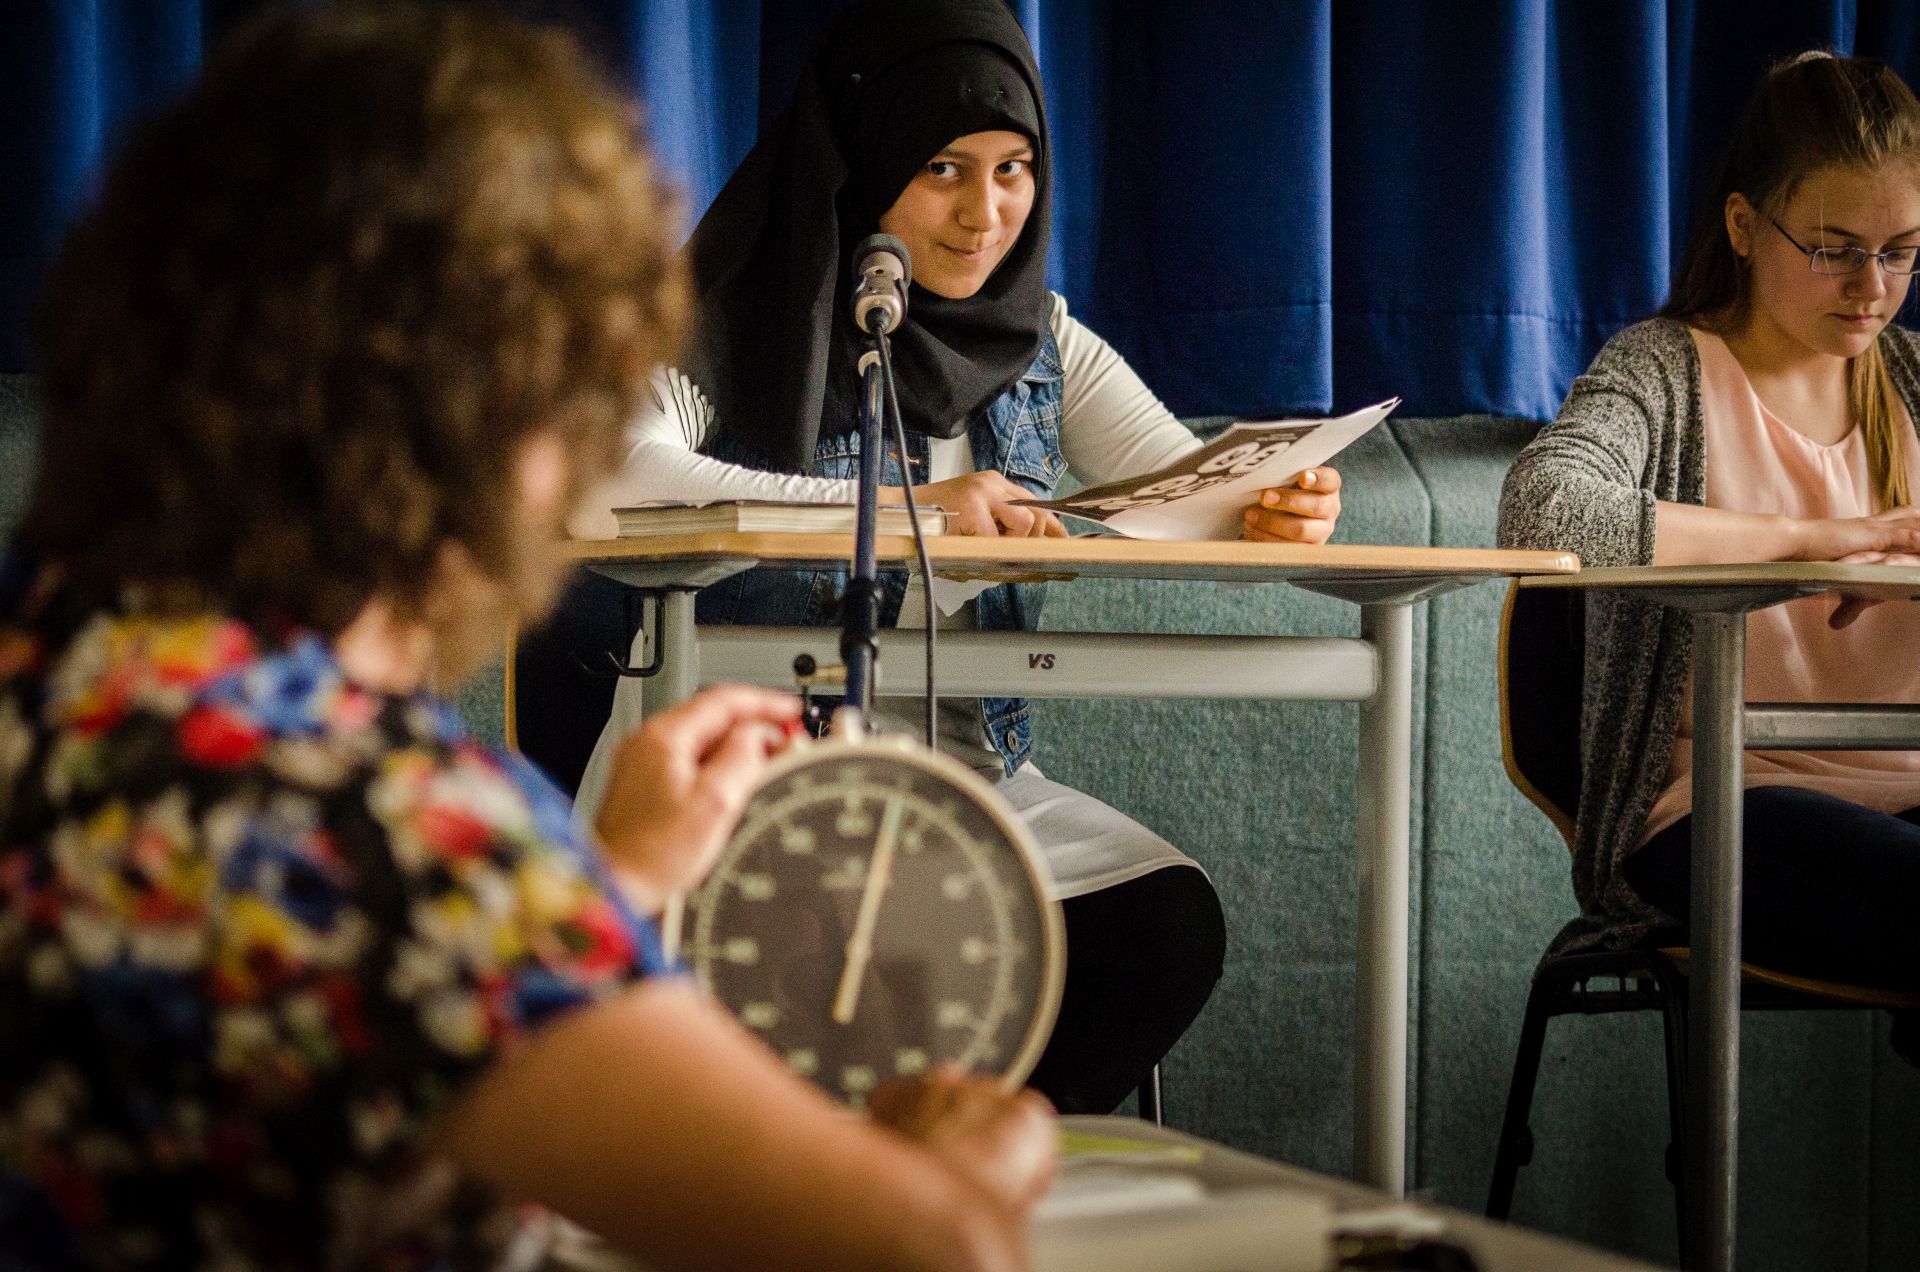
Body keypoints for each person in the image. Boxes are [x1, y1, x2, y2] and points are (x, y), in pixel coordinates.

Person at [0, 9, 1057, 1270]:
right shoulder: (386, 830)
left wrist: (603, 893)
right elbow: (924, 1251)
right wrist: (976, 1166)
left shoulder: (62, 683)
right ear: (498, 417)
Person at [569, 0, 1346, 1115]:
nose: (986, 215)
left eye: (1014, 169)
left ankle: (940, 1178)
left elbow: (1186, 490)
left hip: (964, 789)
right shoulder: (728, 307)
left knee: (1155, 928)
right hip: (742, 782)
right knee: (832, 951)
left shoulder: (1040, 340)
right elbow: (612, 478)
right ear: (862, 161)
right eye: (942, 168)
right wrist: (904, 508)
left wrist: (1267, 512)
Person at [1498, 51, 1920, 994]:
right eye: (1834, 247)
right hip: (1715, 802)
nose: (1872, 287)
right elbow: (1544, 508)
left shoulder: (1914, 382)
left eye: (1899, 251)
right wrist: (1816, 542)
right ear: (1742, 225)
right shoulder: (1665, 370)